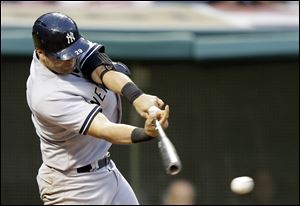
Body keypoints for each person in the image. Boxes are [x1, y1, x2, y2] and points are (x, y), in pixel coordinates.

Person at [26, 12, 169, 205]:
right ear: (41, 52)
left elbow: (102, 69)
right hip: (72, 185)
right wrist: (146, 132)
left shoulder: (70, 48)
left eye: (73, 52)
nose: (70, 60)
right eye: (63, 57)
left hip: (106, 169)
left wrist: (138, 97)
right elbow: (105, 129)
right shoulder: (46, 94)